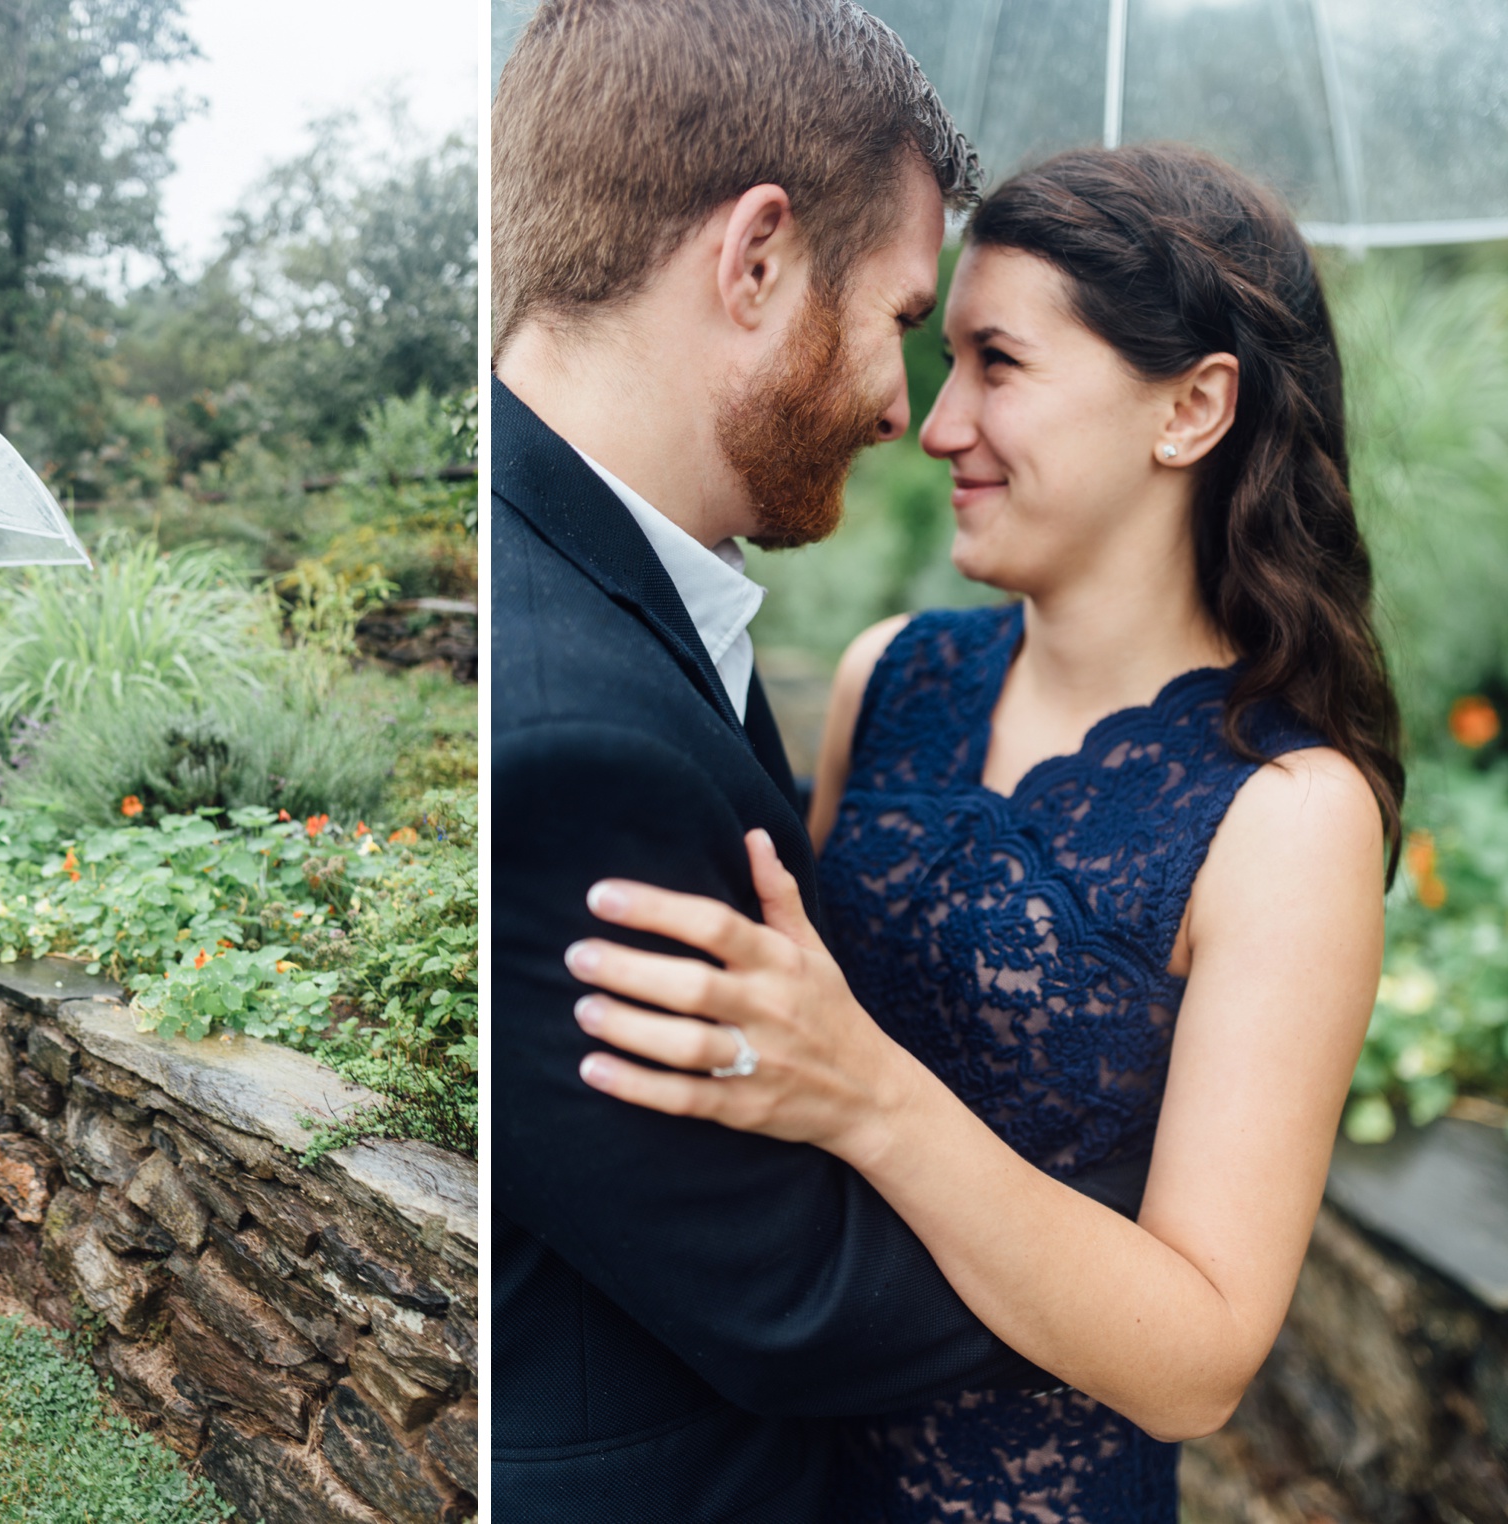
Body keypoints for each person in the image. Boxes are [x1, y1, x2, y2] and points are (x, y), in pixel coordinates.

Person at [564, 145, 1397, 1521]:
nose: (939, 423)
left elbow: (1199, 1365)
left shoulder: (1288, 816)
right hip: (772, 1476)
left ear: (1191, 408)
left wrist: (866, 1094)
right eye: (942, 356)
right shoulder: (889, 680)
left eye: (998, 363)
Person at [492, 3, 1155, 1517]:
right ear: (758, 259)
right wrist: (1158, 1244)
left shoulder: (608, 581)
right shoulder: (567, 734)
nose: (901, 408)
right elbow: (788, 1293)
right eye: (905, 321)